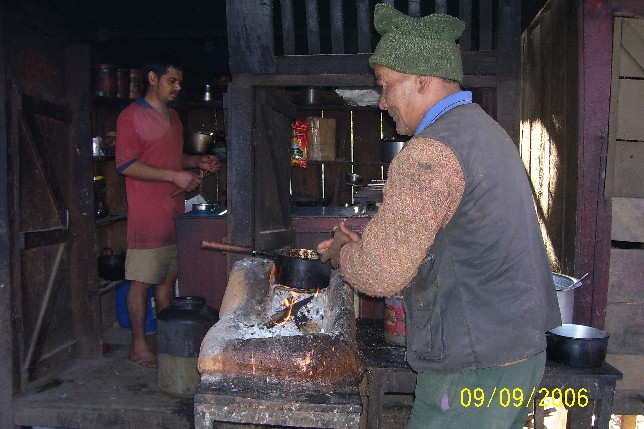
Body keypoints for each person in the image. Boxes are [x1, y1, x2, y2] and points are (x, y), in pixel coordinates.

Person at [317, 5, 561, 428]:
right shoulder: (484, 130)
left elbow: (380, 274)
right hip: (517, 354)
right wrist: (372, 247)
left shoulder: (431, 152)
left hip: (473, 368)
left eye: (386, 86)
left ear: (421, 80)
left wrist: (341, 253)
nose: (382, 102)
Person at [115, 57, 220, 368]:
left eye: (179, 82)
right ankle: (138, 346)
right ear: (152, 78)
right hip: (147, 214)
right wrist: (175, 177)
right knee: (141, 282)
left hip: (174, 215)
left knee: (166, 284)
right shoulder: (132, 116)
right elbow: (126, 164)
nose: (177, 87)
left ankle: (166, 343)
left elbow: (172, 159)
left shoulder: (173, 117)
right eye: (171, 81)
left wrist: (196, 162)